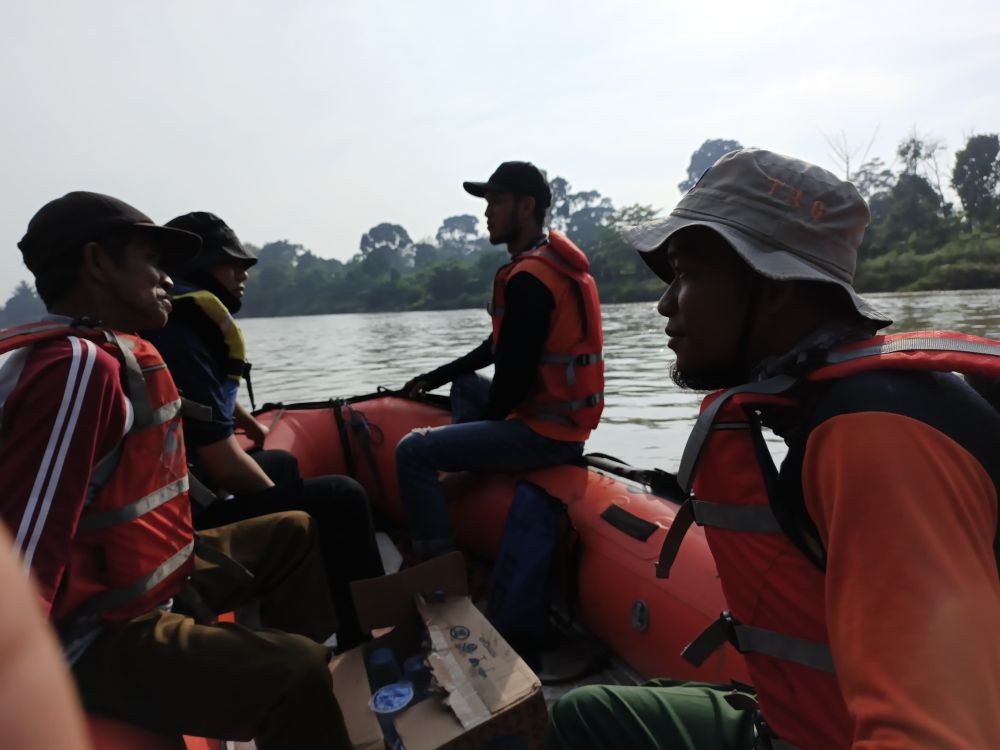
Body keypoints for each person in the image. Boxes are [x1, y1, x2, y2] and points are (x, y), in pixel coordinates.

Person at [546, 149, 1000, 749]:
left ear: (776, 290)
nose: (665, 303)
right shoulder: (843, 401)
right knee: (590, 712)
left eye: (686, 272)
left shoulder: (874, 435)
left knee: (586, 723)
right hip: (815, 718)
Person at [0, 191, 352, 748]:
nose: (168, 278)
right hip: (92, 633)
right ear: (97, 264)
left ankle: (294, 692)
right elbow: (25, 550)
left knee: (295, 529)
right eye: (152, 261)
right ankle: (285, 690)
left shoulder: (113, 351)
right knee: (296, 671)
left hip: (135, 585)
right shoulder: (76, 370)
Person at [141, 211, 383, 649]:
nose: (242, 274)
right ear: (197, 268)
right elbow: (226, 465)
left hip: (180, 491)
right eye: (231, 264)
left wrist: (254, 425)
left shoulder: (177, 327)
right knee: (341, 498)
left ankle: (282, 611)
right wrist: (288, 513)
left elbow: (205, 401)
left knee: (282, 460)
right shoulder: (181, 331)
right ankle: (368, 637)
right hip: (179, 518)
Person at [397, 161, 604, 558]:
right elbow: (498, 346)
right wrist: (434, 377)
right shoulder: (544, 265)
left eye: (497, 201)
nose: (487, 212)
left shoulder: (530, 278)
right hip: (554, 422)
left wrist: (472, 447)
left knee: (412, 451)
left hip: (546, 437)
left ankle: (436, 562)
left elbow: (513, 379)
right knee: (465, 384)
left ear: (525, 208)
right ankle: (474, 465)